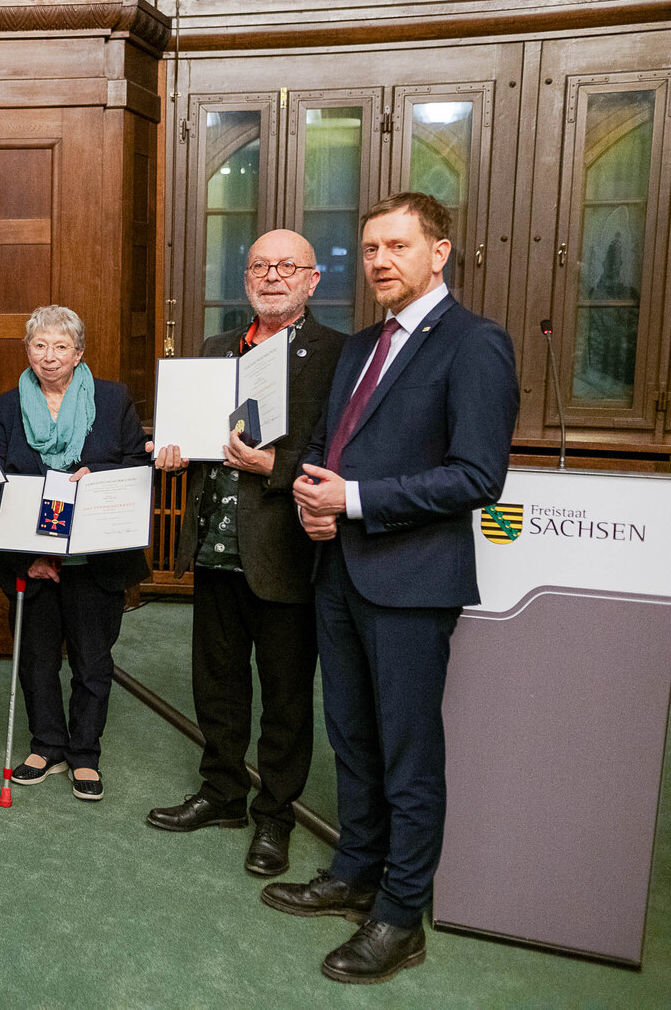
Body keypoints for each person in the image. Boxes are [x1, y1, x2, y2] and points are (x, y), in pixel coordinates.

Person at [264, 193, 518, 984]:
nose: (379, 260)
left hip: (410, 583)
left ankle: (401, 913)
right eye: (371, 246)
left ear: (438, 253)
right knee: (352, 736)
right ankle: (355, 870)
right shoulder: (360, 346)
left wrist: (356, 501)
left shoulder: (475, 344)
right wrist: (313, 501)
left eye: (398, 246)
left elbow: (477, 475)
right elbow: (324, 446)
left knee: (408, 755)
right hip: (337, 570)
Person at [147, 230, 345, 877]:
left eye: (287, 266)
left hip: (284, 551)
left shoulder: (335, 355)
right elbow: (192, 436)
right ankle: (223, 791)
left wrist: (275, 464)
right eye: (260, 264)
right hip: (214, 546)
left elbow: (342, 451)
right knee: (217, 683)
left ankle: (274, 817)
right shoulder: (213, 349)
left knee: (286, 694)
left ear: (313, 280)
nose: (272, 275)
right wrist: (172, 452)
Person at [0, 306, 149, 802]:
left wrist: (98, 477)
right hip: (33, 560)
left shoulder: (114, 399)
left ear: (79, 353)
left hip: (96, 562)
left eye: (61, 347)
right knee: (36, 659)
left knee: (92, 661)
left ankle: (84, 753)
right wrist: (23, 557)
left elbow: (138, 465)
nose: (49, 357)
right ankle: (47, 744)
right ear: (27, 350)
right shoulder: (7, 406)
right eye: (39, 345)